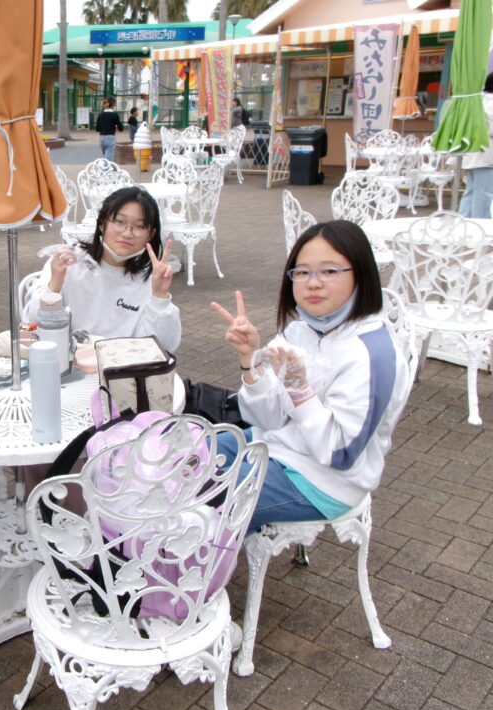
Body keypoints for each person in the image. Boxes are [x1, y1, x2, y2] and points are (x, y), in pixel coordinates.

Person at [211, 220, 409, 535]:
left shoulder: (373, 353)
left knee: (202, 505)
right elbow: (265, 418)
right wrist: (250, 359)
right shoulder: (300, 330)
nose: (313, 283)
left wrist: (299, 389)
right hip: (270, 445)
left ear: (361, 274)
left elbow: (340, 453)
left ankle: (193, 560)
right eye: (302, 272)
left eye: (329, 271)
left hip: (322, 481)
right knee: (183, 459)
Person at [24, 185, 181, 355]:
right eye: (120, 222)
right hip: (68, 363)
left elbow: (163, 347)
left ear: (150, 234)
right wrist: (54, 285)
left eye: (139, 226)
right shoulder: (67, 263)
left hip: (122, 366)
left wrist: (159, 298)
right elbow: (31, 325)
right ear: (101, 223)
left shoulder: (150, 280)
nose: (127, 233)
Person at [460, 72, 493, 219]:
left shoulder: (479, 101)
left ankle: (463, 224)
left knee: (471, 192)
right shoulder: (490, 104)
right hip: (485, 154)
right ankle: (480, 226)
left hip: (472, 152)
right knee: (484, 194)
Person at [95, 96, 123, 162]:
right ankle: (104, 168)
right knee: (108, 158)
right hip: (110, 137)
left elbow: (97, 129)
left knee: (105, 155)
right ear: (113, 104)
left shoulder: (101, 115)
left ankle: (107, 167)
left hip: (102, 138)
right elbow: (121, 128)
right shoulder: (115, 115)